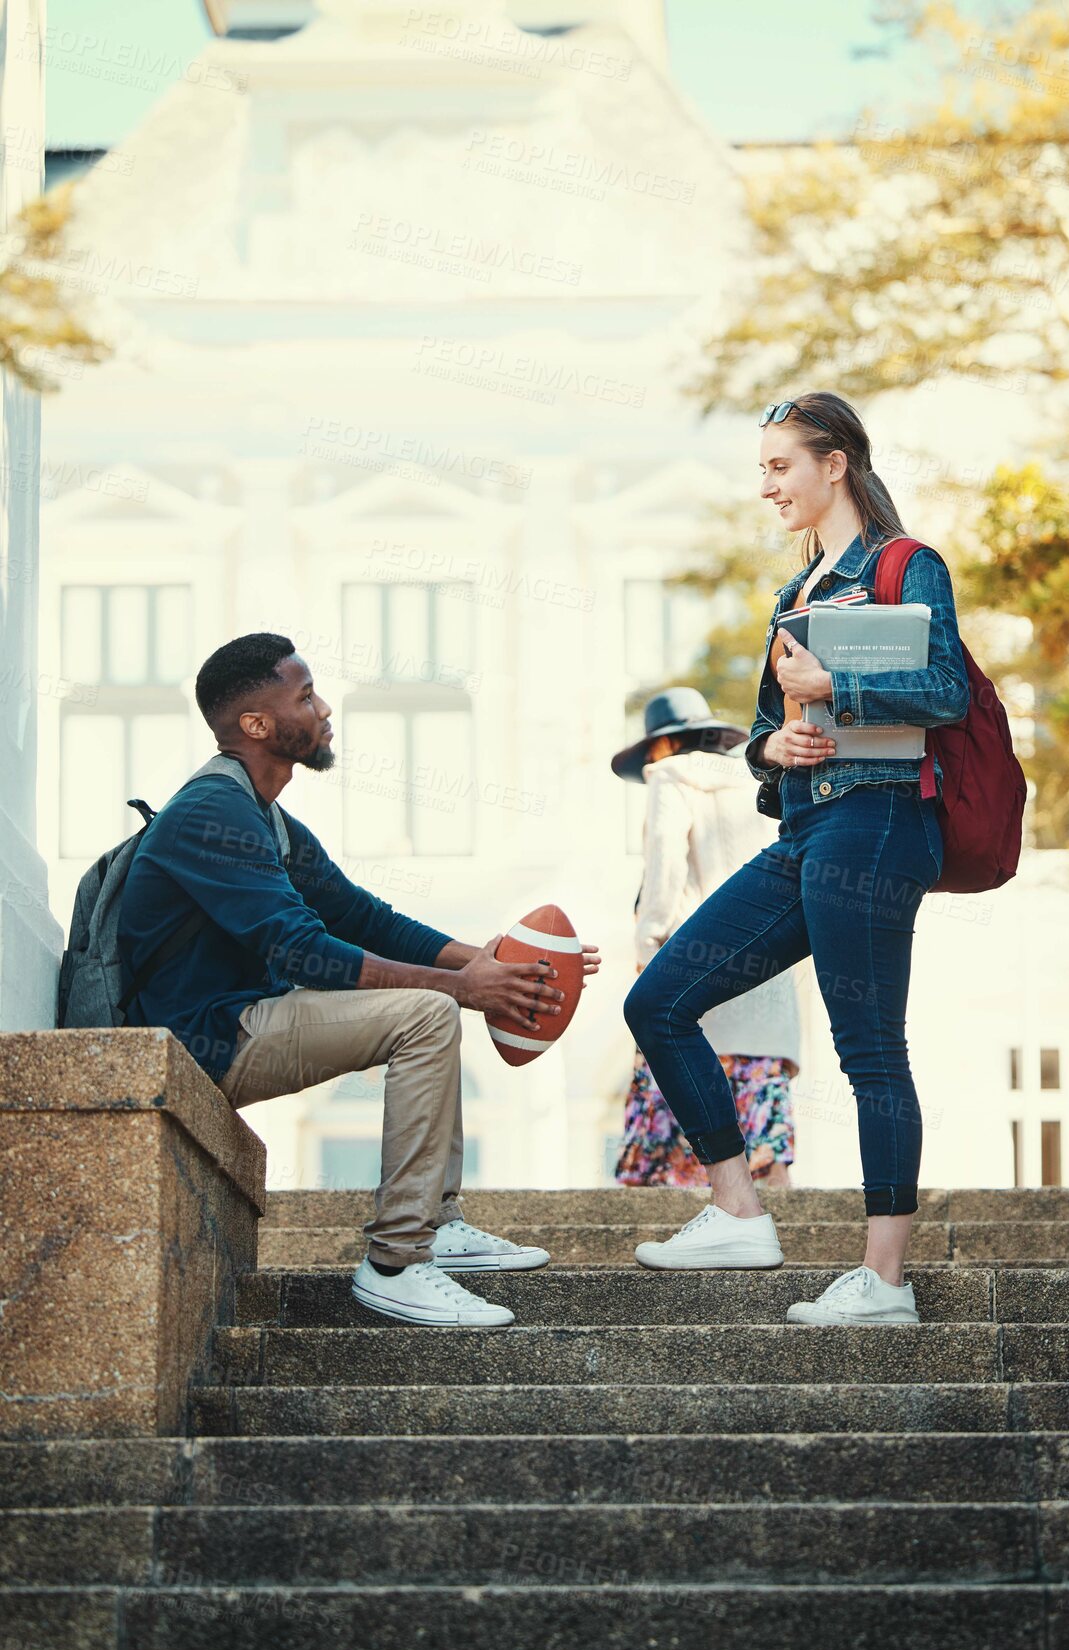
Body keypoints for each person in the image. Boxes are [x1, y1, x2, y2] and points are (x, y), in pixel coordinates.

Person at [118, 632, 600, 1328]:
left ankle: (437, 1218)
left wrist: (490, 963)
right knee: (427, 1013)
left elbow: (363, 917)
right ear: (256, 724)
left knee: (430, 1001)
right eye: (305, 696)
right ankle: (398, 1261)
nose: (324, 709)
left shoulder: (268, 818)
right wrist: (461, 989)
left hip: (247, 1020)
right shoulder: (210, 812)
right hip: (206, 1040)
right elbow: (301, 952)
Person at [624, 392, 968, 1322]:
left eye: (782, 466)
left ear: (835, 465)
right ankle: (737, 1206)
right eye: (763, 469)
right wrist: (772, 749)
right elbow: (765, 737)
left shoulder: (908, 565)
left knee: (869, 1049)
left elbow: (946, 689)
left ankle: (884, 1279)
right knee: (657, 999)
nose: (768, 485)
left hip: (884, 822)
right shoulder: (794, 594)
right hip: (805, 829)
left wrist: (838, 687)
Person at [610, 688, 801, 1189]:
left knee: (674, 1112)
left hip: (695, 966)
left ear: (660, 747)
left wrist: (649, 945)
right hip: (767, 973)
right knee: (765, 1138)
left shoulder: (668, 777)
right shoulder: (760, 777)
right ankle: (790, 1242)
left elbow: (665, 871)